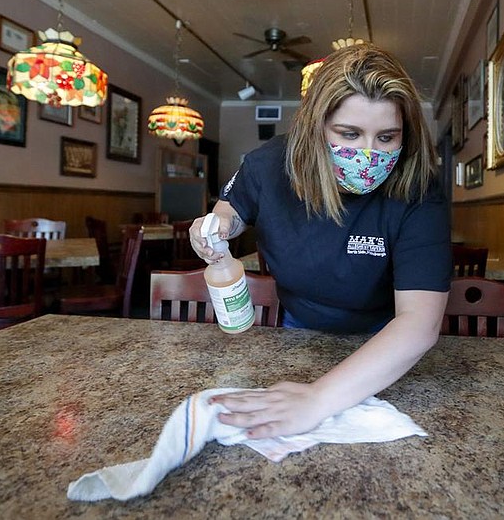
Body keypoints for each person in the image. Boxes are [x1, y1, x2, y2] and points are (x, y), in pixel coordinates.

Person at [189, 43, 452, 440]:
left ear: (405, 134)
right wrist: (217, 227)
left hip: (386, 340)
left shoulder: (419, 186)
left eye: (386, 137)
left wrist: (318, 400)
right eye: (349, 134)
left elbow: (418, 322)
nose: (368, 153)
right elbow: (233, 207)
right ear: (317, 127)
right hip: (297, 326)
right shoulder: (270, 162)